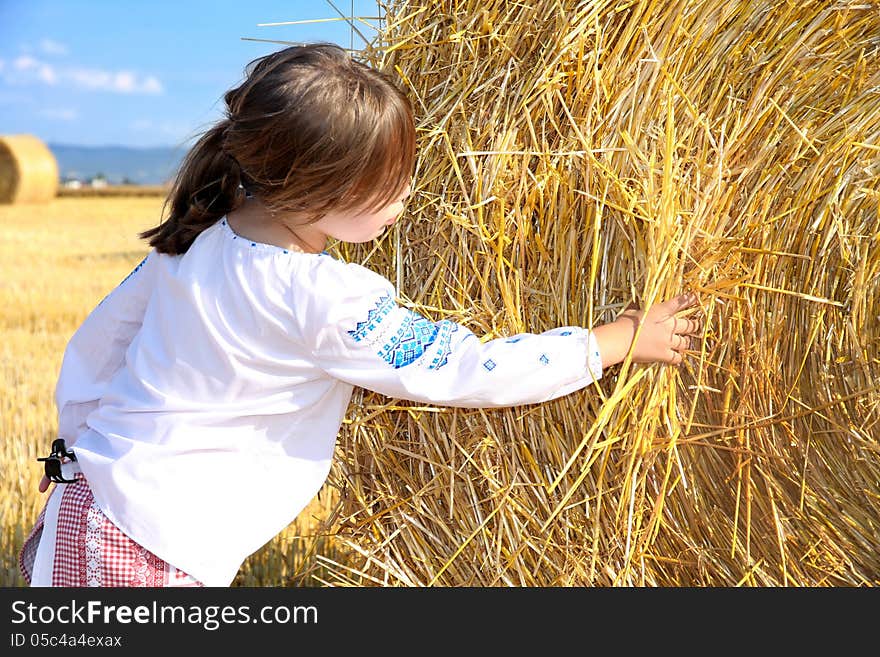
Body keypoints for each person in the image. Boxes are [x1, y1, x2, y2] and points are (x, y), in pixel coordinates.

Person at [19, 43, 702, 588]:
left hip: (83, 511)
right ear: (319, 188)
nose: (407, 195)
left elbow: (98, 344)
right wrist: (612, 341)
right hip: (154, 555)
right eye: (391, 180)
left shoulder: (193, 240)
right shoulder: (326, 298)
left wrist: (70, 446)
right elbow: (465, 368)